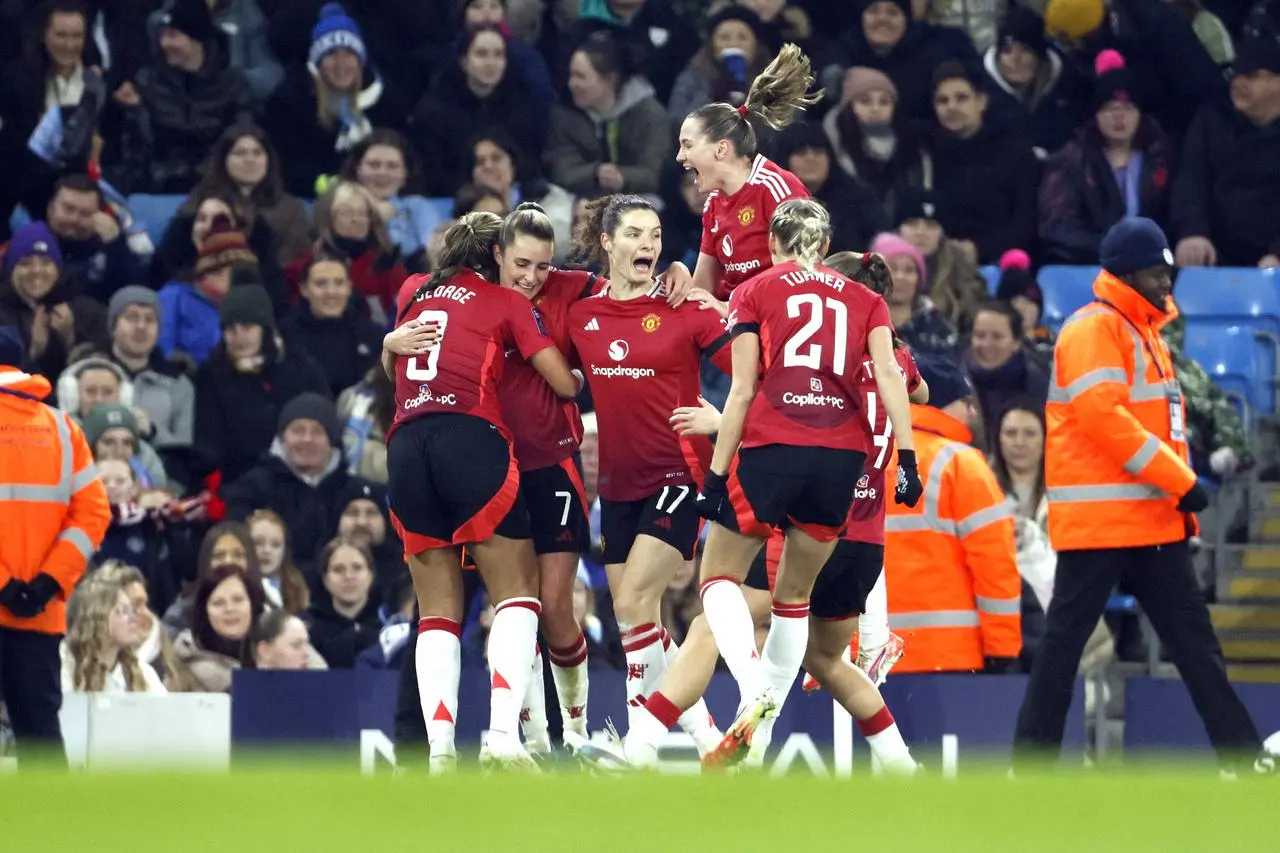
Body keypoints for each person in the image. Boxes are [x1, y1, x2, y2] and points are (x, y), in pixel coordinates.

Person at [600, 249, 928, 774]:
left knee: (713, 620)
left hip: (807, 526)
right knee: (823, 659)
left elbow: (787, 434)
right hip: (865, 542)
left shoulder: (812, 376)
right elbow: (915, 386)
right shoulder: (896, 367)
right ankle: (902, 767)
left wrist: (720, 425)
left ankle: (641, 748)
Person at [1013, 217, 1274, 776]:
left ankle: (1243, 759)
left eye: (1168, 272)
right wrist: (1182, 481)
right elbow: (1106, 419)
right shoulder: (1094, 329)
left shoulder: (1144, 332)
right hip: (1105, 522)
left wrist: (1180, 491)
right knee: (1065, 647)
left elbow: (1158, 426)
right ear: (1128, 273)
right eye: (1157, 273)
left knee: (1195, 647)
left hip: (1151, 521)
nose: (1167, 283)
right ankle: (1028, 768)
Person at [690, 199, 920, 769]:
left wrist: (717, 473)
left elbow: (745, 392)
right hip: (850, 490)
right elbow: (900, 382)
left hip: (782, 455)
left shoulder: (763, 295)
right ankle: (902, 768)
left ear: (775, 245)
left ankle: (754, 695)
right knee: (808, 628)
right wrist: (909, 456)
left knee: (721, 579)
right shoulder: (872, 313)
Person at [384, 211, 582, 773]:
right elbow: (562, 382)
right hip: (471, 440)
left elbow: (394, 362)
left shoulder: (411, 290)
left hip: (405, 445)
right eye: (519, 261)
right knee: (518, 594)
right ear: (495, 255)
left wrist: (386, 343)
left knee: (437, 614)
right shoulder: (507, 305)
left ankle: (441, 758)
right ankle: (501, 736)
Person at [562, 194, 732, 756]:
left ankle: (640, 749)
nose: (649, 246)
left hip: (679, 475)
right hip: (616, 486)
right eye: (635, 234)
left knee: (634, 604)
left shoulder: (688, 307)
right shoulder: (581, 311)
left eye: (656, 236)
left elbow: (760, 367)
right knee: (640, 622)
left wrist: (724, 417)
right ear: (607, 243)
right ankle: (711, 743)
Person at [0, 326, 111, 765]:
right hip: (39, 615)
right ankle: (51, 833)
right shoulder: (64, 431)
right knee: (40, 736)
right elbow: (92, 516)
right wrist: (46, 584)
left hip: (12, 597)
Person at [672, 44, 820, 308]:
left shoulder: (778, 190)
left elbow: (803, 280)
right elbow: (701, 290)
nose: (680, 156)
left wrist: (730, 309)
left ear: (721, 149)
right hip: (734, 326)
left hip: (774, 327)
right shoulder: (713, 205)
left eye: (688, 145)